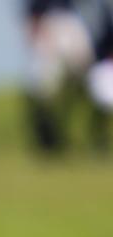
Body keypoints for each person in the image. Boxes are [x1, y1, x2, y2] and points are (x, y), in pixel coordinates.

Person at [24, 0, 113, 154]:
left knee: (87, 82)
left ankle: (94, 135)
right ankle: (48, 140)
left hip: (72, 31)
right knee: (46, 90)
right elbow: (34, 20)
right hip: (51, 31)